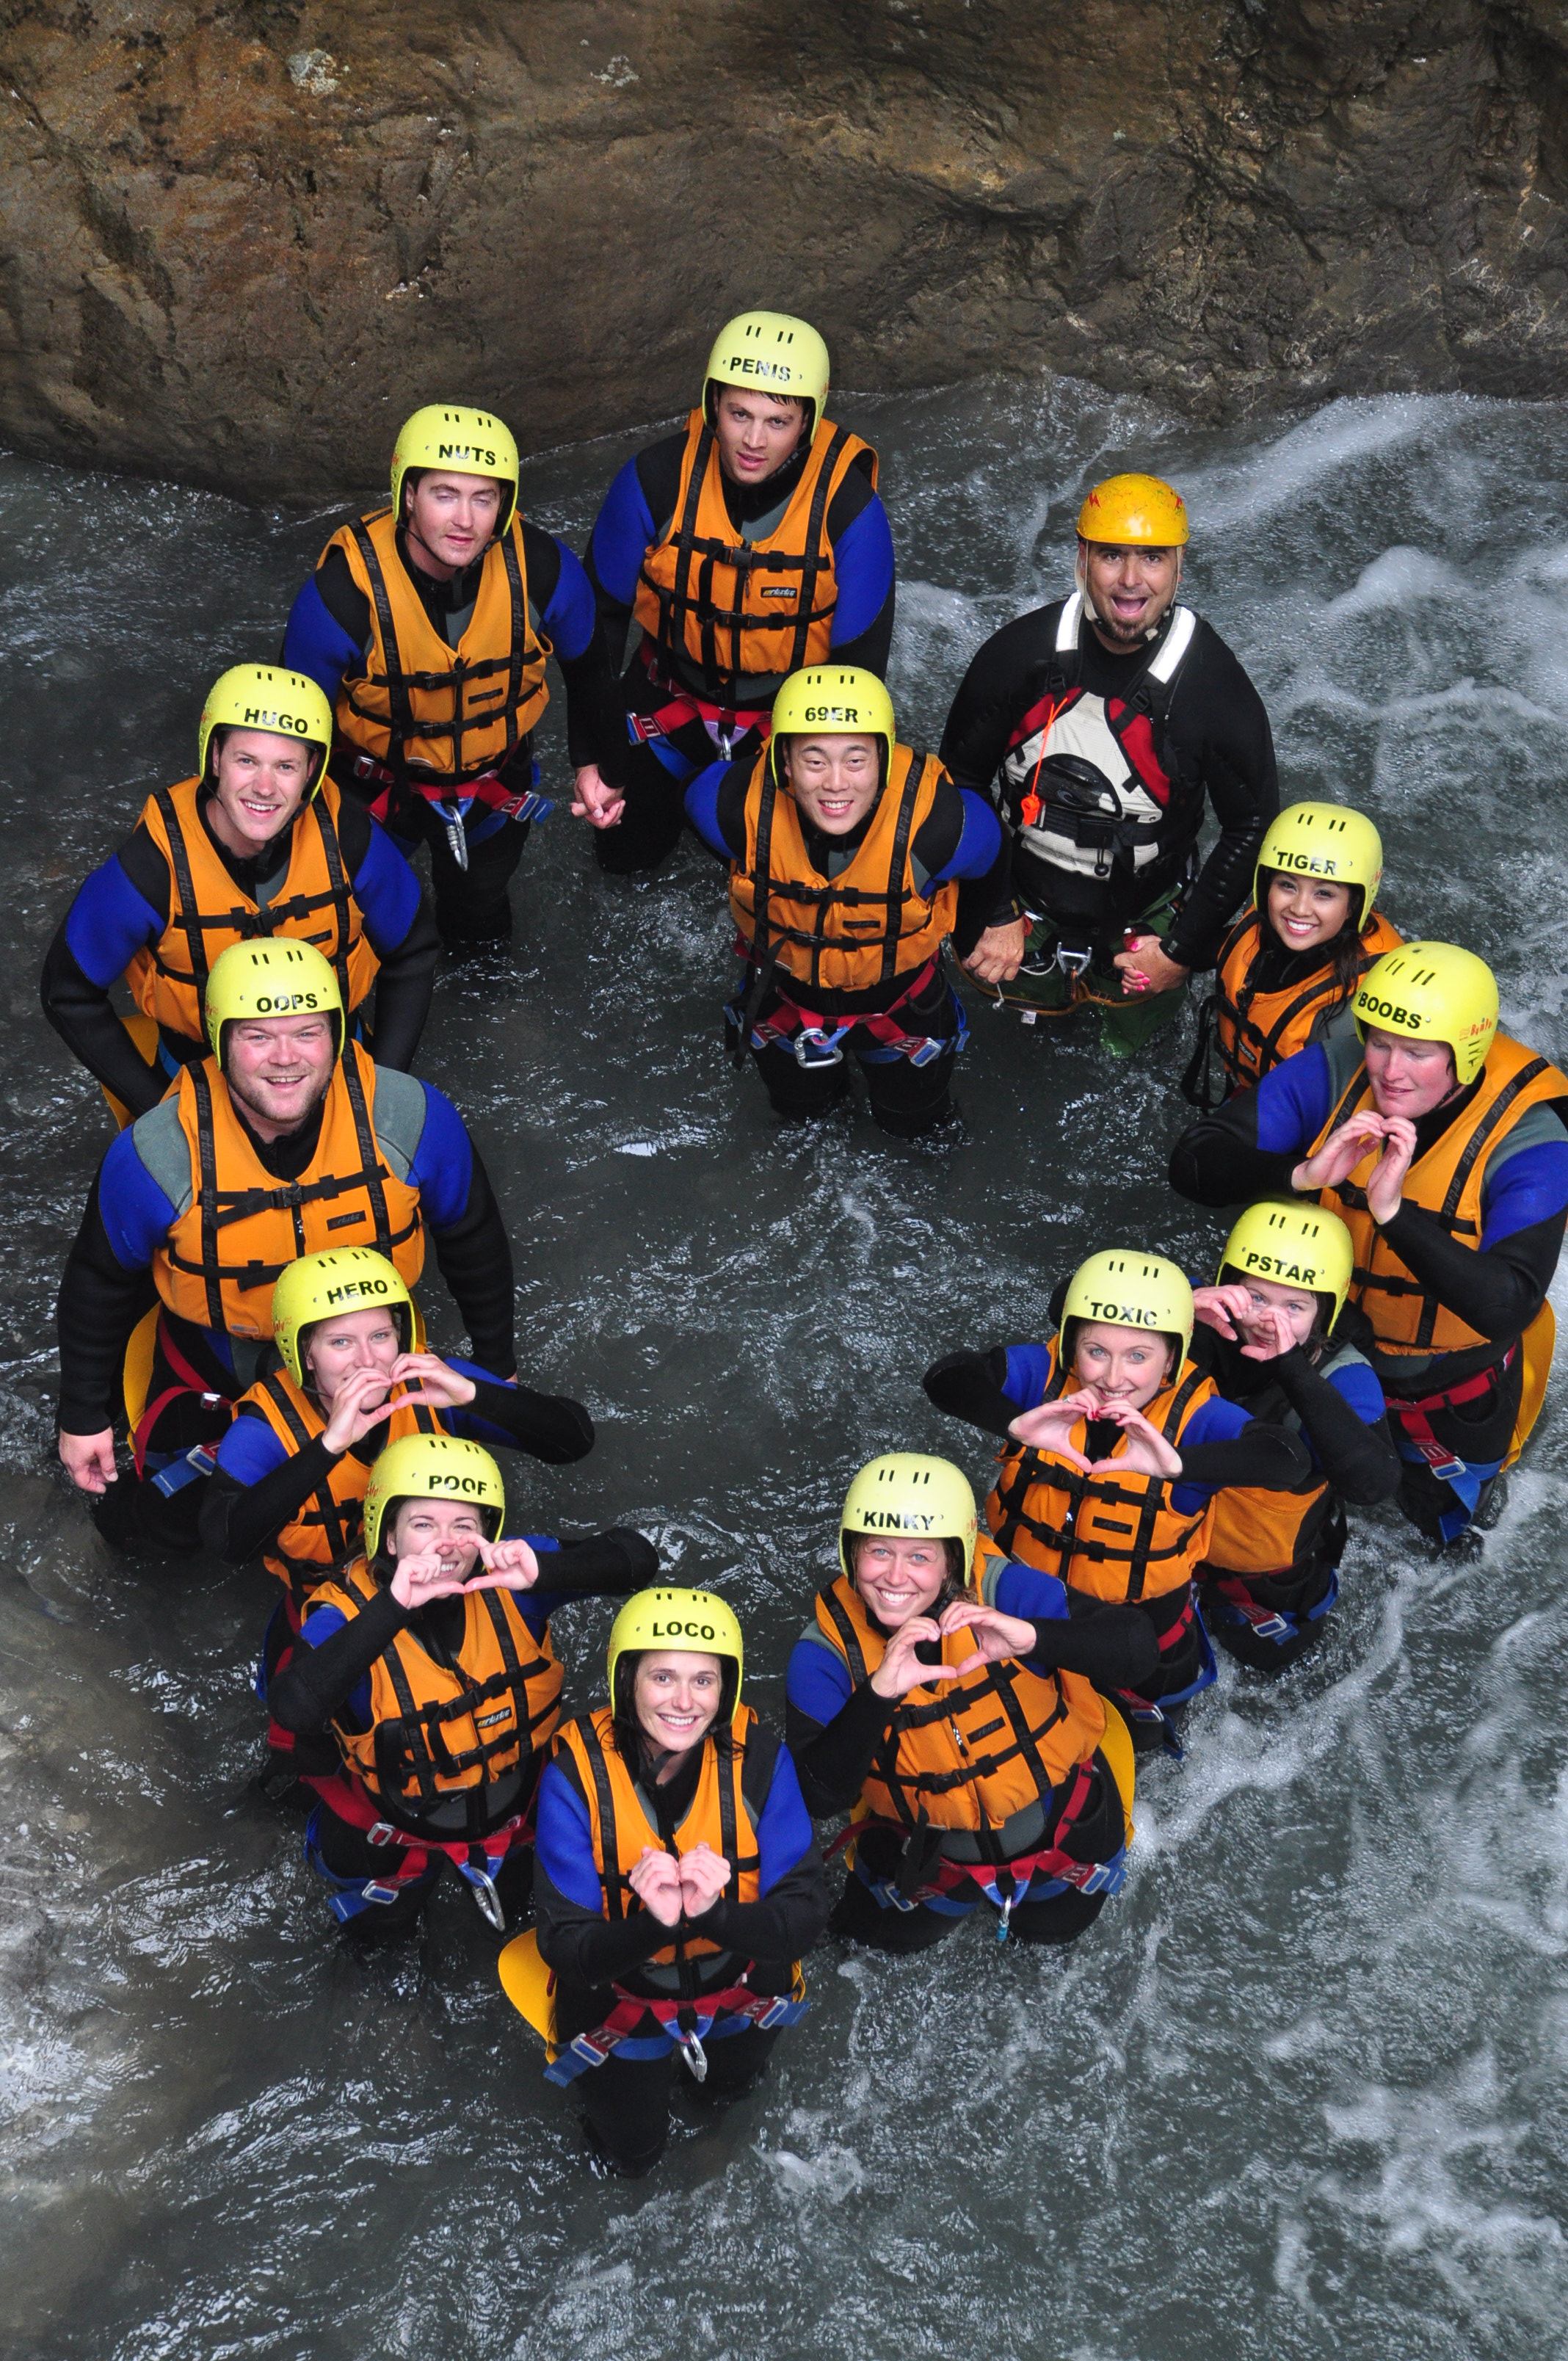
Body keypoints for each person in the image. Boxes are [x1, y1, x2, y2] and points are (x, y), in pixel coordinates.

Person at [55, 937, 519, 1555]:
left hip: (372, 1356)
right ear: (220, 1043)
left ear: (337, 1035)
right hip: (220, 1358)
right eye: (258, 1037)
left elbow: (473, 1239)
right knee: (153, 1533)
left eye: (307, 1033)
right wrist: (83, 1416)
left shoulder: (413, 1119)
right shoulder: (156, 1155)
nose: (285, 1059)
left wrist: (495, 1365)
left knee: (418, 1527)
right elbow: (99, 1281)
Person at [1170, 941, 1568, 1543]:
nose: (1389, 1071)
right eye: (1380, 1043)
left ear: (1466, 1053)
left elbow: (1507, 1304)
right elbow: (1194, 1163)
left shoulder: (1534, 1138)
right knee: (1277, 1511)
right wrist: (1301, 1173)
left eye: (1417, 1053)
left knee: (1445, 1528)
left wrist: (1393, 1214)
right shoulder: (1336, 1069)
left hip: (1444, 1384)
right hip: (1306, 1346)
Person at [198, 1248, 595, 1790]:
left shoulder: (431, 1382)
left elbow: (574, 1439)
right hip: (333, 1611)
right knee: (305, 1768)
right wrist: (329, 1445)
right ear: (305, 1353)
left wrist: (475, 1395)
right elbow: (226, 1541)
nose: (368, 1362)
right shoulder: (265, 1428)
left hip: (448, 1586)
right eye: (340, 1343)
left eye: (381, 1336)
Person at [938, 471, 1279, 1055]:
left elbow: (1252, 827)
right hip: (1019, 912)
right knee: (1018, 1049)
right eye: (1112, 556)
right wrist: (991, 910)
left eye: (1153, 559)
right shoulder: (1020, 655)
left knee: (1132, 1057)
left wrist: (1180, 950)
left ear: (1179, 569)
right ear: (1082, 559)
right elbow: (958, 779)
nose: (1130, 581)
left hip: (1146, 926)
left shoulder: (1212, 688)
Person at [267, 1434, 656, 1935]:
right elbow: (293, 1707)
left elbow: (637, 1559)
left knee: (523, 1926)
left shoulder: (514, 1581)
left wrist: (547, 1571)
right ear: (389, 1538)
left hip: (514, 1822)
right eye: (423, 1524)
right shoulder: (341, 1615)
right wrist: (395, 1607)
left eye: (464, 1526)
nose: (446, 1543)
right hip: (392, 1835)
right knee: (376, 1941)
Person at [922, 1250, 1310, 1752]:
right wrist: (1015, 1424)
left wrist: (1178, 1465)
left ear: (1171, 1359)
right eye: (1096, 1351)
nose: (1112, 1377)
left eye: (1138, 1357)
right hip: (1025, 1609)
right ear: (1071, 1347)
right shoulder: (1045, 1378)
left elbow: (1288, 1458)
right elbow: (948, 1376)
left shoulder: (1197, 1417)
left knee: (1147, 1744)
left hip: (1144, 1634)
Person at [283, 403, 629, 948]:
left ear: (504, 504)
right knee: (346, 924)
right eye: (445, 495)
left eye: (483, 498)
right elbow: (290, 729)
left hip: (492, 784)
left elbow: (591, 672)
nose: (465, 520)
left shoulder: (543, 569)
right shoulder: (341, 595)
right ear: (408, 496)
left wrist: (601, 765)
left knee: (478, 924)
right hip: (369, 789)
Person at [40, 664, 438, 1126]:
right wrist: (159, 1112)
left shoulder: (349, 839)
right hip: (195, 1080)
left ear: (311, 771)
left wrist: (382, 1089)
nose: (264, 788)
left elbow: (414, 949)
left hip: (332, 1072)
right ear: (215, 759)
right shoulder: (153, 867)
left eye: (285, 766)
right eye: (246, 761)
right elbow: (67, 992)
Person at [785, 1454, 1150, 1951]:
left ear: (954, 1560)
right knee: (864, 1945)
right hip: (924, 1861)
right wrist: (878, 1693)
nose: (895, 1577)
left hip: (1066, 1836)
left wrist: (1034, 1638)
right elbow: (816, 1798)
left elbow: (1137, 1649)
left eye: (920, 1556)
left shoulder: (1003, 1591)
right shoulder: (823, 1652)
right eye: (878, 1551)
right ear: (850, 1552)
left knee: (1053, 1944)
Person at [526, 1587, 826, 2177]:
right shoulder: (573, 1777)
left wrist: (714, 1914)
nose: (685, 1702)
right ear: (626, 1682)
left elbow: (804, 1918)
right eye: (662, 1678)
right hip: (618, 2000)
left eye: (704, 1681)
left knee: (727, 2099)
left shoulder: (761, 1762)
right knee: (632, 2155)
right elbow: (566, 1949)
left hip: (743, 1982)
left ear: (726, 1688)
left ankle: (711, 2139)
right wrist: (653, 1925)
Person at [582, 311, 896, 874]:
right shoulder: (655, 479)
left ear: (808, 422)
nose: (754, 440)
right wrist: (596, 756)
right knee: (623, 862)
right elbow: (597, 629)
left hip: (784, 730)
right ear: (712, 406)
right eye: (739, 414)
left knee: (783, 881)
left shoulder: (850, 510)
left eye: (778, 421)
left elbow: (858, 679)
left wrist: (826, 783)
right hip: (663, 711)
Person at [688, 664, 1019, 1137]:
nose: (836, 784)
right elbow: (693, 807)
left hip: (905, 1011)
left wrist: (984, 930)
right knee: (802, 1118)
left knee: (915, 1127)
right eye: (815, 761)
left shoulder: (940, 826)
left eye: (856, 760)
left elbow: (994, 852)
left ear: (884, 759)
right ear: (785, 762)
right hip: (783, 1003)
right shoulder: (729, 807)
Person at [1188, 1203, 1400, 1669]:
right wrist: (1177, 1309)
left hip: (1262, 1576)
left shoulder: (1346, 1377)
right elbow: (1067, 1306)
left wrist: (1292, 1369)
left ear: (1325, 1313)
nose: (1270, 1321)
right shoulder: (1194, 1308)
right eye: (1256, 1298)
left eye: (1295, 1307)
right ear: (1228, 1284)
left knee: (1276, 1667)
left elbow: (1373, 1484)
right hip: (1162, 1543)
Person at [1183, 800, 1402, 1109]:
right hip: (1259, 1088)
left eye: (1324, 893)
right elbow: (1202, 951)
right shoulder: (1262, 930)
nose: (1299, 908)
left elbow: (1335, 1110)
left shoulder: (1352, 1015)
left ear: (1354, 905)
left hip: (1306, 1115)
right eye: (1287, 885)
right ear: (1266, 886)